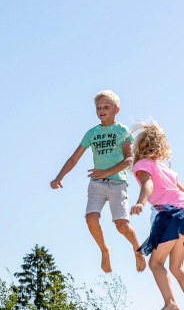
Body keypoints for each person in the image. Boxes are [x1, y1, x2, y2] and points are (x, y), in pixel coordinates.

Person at [50, 90, 146, 273]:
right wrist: (59, 177)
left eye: (106, 107)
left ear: (116, 110)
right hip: (97, 184)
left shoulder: (121, 130)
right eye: (98, 107)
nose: (101, 110)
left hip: (117, 183)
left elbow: (129, 160)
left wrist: (106, 172)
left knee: (122, 226)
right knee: (91, 219)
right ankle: (104, 250)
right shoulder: (92, 133)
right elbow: (74, 158)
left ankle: (138, 249)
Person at [129, 121, 184, 310]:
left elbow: (148, 184)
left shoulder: (142, 165)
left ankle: (170, 303)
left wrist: (141, 202)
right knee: (176, 266)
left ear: (139, 148)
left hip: (172, 214)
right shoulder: (167, 169)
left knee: (155, 263)